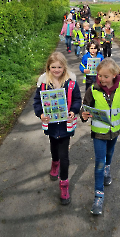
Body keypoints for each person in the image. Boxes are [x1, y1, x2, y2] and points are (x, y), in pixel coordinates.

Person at [79, 58, 120, 215]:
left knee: (109, 154)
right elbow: (84, 107)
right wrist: (83, 115)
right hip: (99, 134)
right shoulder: (92, 89)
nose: (101, 79)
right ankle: (98, 196)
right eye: (99, 75)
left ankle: (108, 168)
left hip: (115, 131)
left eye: (105, 76)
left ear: (115, 75)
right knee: (99, 162)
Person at [33, 52, 82, 205]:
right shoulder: (43, 84)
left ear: (64, 67)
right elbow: (37, 102)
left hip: (66, 125)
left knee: (64, 156)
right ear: (48, 67)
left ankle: (64, 184)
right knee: (54, 148)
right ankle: (55, 163)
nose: (56, 69)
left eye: (59, 67)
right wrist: (41, 114)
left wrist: (74, 111)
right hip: (52, 125)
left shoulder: (71, 83)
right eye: (53, 67)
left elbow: (77, 100)